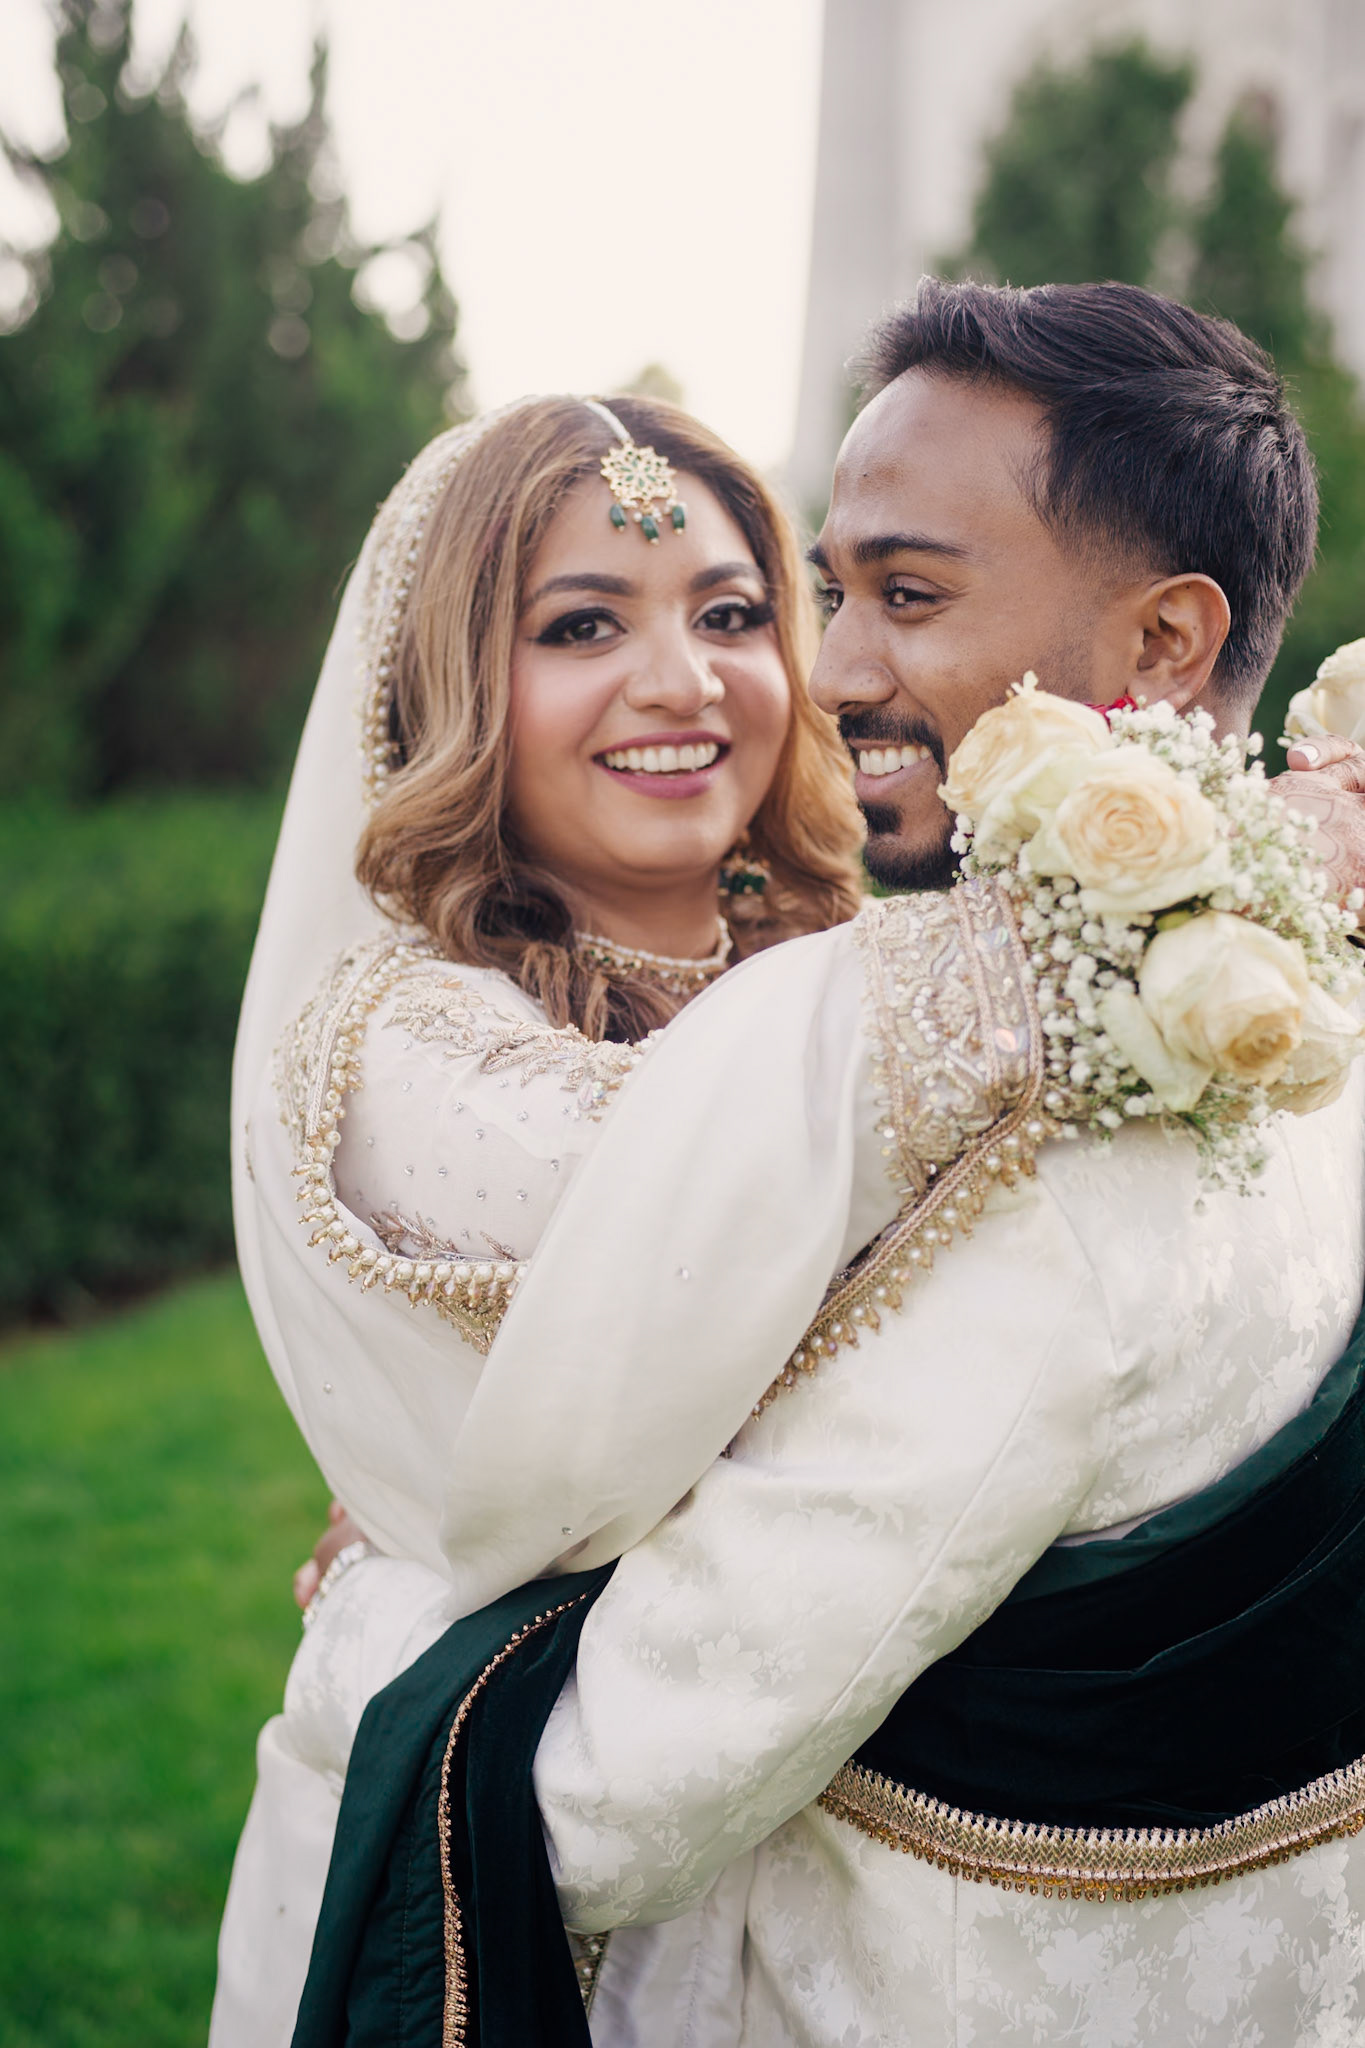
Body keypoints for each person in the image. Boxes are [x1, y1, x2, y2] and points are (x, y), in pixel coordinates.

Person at [290, 282, 1365, 2047]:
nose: (832, 669)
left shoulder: (1032, 1174)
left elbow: (609, 1791)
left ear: (1168, 639)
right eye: (830, 592)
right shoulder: (1304, 1009)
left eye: (907, 595)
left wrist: (388, 1603)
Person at [212, 390, 869, 2045]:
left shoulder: (832, 975)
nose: (682, 680)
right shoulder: (401, 1042)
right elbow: (718, 1208)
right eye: (582, 626)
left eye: (730, 614)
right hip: (519, 1850)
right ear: (452, 687)